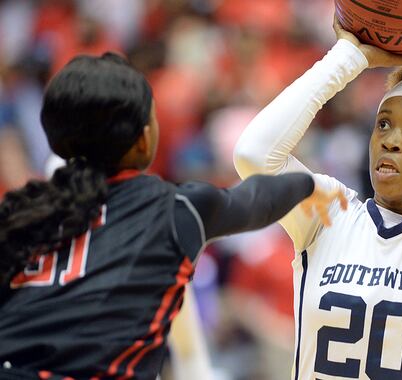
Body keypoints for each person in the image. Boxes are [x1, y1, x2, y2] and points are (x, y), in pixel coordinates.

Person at [0, 52, 346, 380]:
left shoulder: (18, 214)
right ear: (144, 138)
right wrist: (308, 184)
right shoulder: (173, 210)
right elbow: (257, 199)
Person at [233, 0, 402, 378]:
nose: (391, 141)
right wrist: (348, 57)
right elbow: (253, 156)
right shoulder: (332, 214)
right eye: (383, 124)